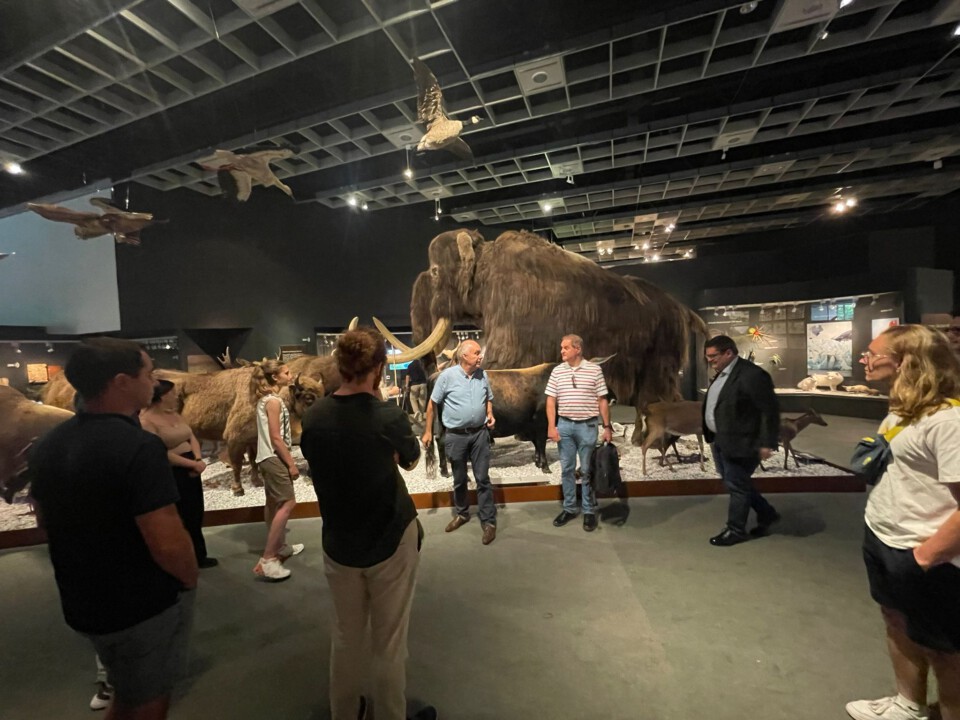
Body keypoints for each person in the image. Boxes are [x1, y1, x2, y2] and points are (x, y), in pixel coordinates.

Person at [30, 337, 198, 720]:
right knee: (149, 702)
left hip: (82, 599)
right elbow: (167, 542)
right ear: (122, 382)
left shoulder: (49, 444)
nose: (153, 382)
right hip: (140, 606)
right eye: (148, 373)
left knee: (126, 693)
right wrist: (189, 579)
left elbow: (43, 521)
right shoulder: (139, 448)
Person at [300, 327, 436, 720]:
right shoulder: (387, 416)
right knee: (389, 643)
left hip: (339, 542)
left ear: (339, 366)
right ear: (377, 368)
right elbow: (411, 459)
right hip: (390, 538)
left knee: (345, 637)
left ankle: (345, 713)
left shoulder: (315, 415)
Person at [846, 325, 960, 720]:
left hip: (928, 554)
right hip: (884, 539)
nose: (864, 359)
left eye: (872, 353)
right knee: (895, 619)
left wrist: (925, 556)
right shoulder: (903, 410)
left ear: (906, 362)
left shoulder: (949, 421)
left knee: (945, 650)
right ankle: (908, 705)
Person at [701, 334, 780, 546]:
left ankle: (736, 529)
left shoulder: (752, 375)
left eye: (713, 356)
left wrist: (766, 442)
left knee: (736, 484)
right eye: (707, 357)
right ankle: (767, 513)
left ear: (729, 353)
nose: (710, 360)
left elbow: (769, 410)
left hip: (741, 441)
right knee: (736, 481)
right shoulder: (723, 373)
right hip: (720, 439)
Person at [422, 339, 497, 545]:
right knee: (459, 478)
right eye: (476, 353)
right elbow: (432, 405)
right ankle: (462, 514)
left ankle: (489, 521)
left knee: (483, 478)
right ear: (464, 356)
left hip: (479, 434)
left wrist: (490, 413)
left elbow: (488, 398)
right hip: (456, 436)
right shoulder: (446, 377)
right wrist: (427, 431)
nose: (480, 356)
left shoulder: (483, 375)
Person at [140, 379, 217, 569]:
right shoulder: (146, 421)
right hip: (173, 471)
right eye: (172, 393)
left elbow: (191, 436)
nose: (176, 396)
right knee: (180, 515)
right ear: (162, 396)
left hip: (191, 466)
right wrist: (192, 464)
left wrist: (198, 459)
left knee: (195, 512)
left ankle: (199, 555)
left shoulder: (174, 414)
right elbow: (160, 452)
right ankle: (182, 560)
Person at [545, 334, 613, 532]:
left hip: (587, 426)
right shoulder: (557, 371)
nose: (562, 351)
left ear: (578, 349)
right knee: (567, 468)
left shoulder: (594, 370)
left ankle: (588, 510)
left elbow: (602, 400)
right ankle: (569, 508)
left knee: (587, 470)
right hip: (565, 426)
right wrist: (551, 426)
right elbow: (550, 400)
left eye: (566, 347)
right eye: (561, 347)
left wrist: (607, 426)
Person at [251, 359, 304, 581]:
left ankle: (280, 546)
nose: (290, 376)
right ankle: (268, 559)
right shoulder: (273, 401)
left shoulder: (266, 400)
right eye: (286, 373)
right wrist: (291, 463)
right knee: (288, 503)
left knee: (273, 502)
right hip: (274, 458)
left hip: (266, 457)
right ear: (275, 377)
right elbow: (276, 437)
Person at [405, 357, 428, 423]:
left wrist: (407, 385)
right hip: (423, 384)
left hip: (414, 385)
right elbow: (426, 373)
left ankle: (417, 411)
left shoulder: (410, 365)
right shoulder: (422, 364)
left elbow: (407, 376)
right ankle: (421, 417)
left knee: (412, 398)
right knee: (422, 400)